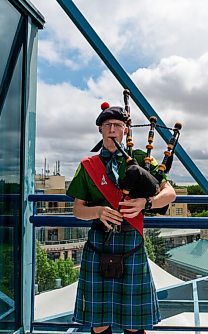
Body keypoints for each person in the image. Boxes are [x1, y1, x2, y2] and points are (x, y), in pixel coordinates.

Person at [67, 103, 177, 334]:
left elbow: (170, 194)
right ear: (101, 131)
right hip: (99, 243)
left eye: (118, 125)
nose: (112, 130)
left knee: (134, 324)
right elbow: (78, 210)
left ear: (126, 130)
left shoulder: (141, 159)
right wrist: (97, 211)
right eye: (107, 125)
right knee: (99, 325)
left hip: (132, 243)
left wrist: (144, 203)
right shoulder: (88, 166)